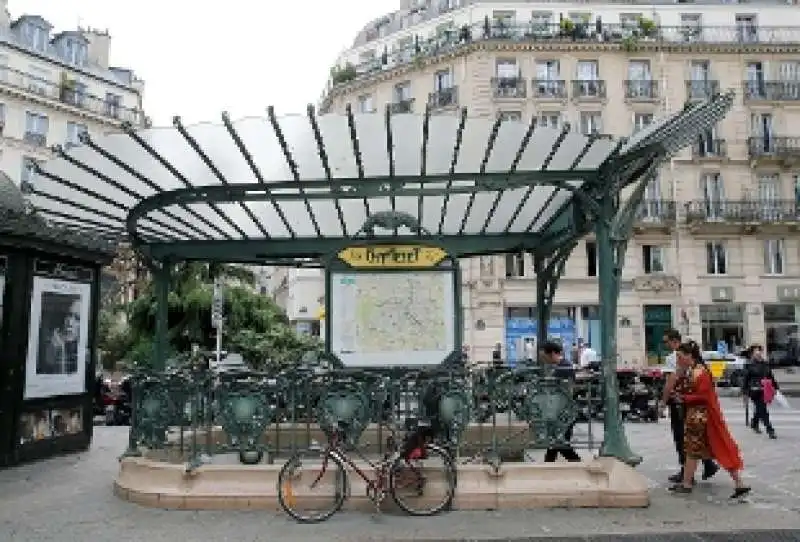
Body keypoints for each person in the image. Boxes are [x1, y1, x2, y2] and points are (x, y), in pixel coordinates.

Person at [669, 340, 750, 499]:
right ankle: (739, 483)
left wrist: (683, 398)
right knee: (704, 449)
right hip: (698, 416)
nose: (678, 360)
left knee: (693, 450)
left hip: (700, 417)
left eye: (680, 356)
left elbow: (704, 397)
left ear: (688, 356)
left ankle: (687, 484)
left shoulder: (700, 373)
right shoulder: (692, 371)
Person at [660, 329, 718, 484]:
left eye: (666, 341)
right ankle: (707, 464)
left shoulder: (674, 358)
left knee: (681, 437)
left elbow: (670, 382)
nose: (665, 345)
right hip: (694, 404)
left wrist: (663, 403)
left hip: (681, 402)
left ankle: (687, 473)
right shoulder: (696, 359)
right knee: (695, 436)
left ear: (674, 341)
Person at [540, 340, 582, 463]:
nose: (544, 360)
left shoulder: (562, 368)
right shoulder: (563, 365)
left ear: (552, 353)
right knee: (557, 442)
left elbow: (560, 391)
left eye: (544, 356)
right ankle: (548, 466)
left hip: (564, 412)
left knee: (559, 442)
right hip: (565, 411)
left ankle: (577, 463)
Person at [741, 344, 779, 439]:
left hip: (764, 389)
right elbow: (745, 380)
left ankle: (754, 422)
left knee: (760, 408)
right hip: (754, 390)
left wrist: (775, 387)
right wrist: (745, 393)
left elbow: (770, 376)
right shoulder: (749, 365)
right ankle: (770, 430)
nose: (758, 353)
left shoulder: (765, 364)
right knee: (763, 409)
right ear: (752, 353)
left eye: (759, 351)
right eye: (756, 351)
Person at [36, 295, 81, 375]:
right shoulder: (53, 342)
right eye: (69, 315)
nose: (70, 322)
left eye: (77, 318)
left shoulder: (83, 353)